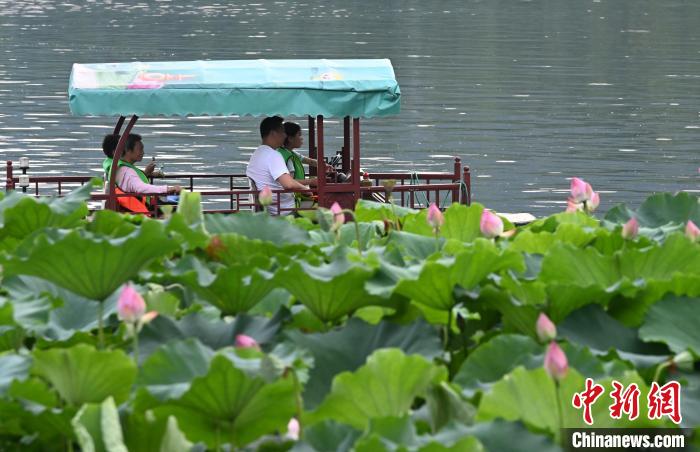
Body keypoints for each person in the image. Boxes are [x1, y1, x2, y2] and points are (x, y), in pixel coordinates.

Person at [246, 116, 309, 215]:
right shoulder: (273, 155)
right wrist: (306, 189)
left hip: (270, 209)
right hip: (284, 212)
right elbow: (288, 184)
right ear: (273, 133)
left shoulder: (257, 153)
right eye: (283, 132)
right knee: (320, 209)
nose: (285, 136)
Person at [102, 133, 180, 213]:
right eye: (140, 149)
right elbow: (141, 188)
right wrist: (168, 189)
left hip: (143, 203)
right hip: (145, 209)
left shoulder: (120, 167)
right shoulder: (125, 171)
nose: (143, 152)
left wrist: (146, 173)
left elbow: (132, 183)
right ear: (128, 151)